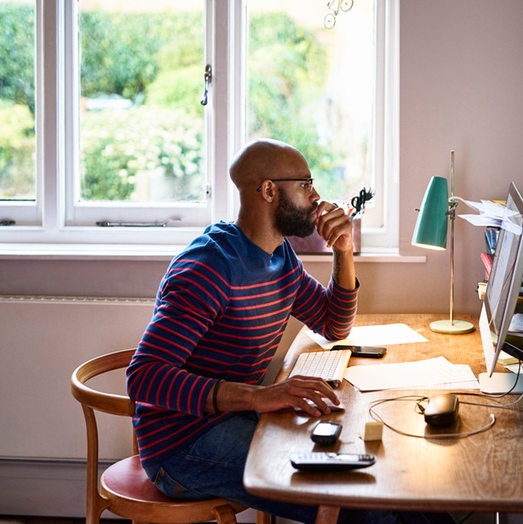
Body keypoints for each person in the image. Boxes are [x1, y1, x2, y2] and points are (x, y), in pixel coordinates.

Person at [125, 138, 395, 523]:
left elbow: (333, 325)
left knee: (375, 476)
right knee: (361, 503)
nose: (316, 196)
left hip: (235, 420)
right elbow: (143, 378)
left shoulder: (279, 255)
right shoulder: (209, 268)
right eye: (305, 184)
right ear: (269, 190)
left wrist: (343, 249)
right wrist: (261, 397)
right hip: (182, 446)